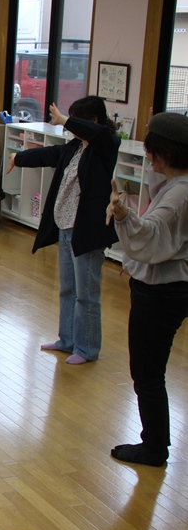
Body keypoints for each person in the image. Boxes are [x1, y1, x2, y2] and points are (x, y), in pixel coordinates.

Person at [8, 98, 120, 365]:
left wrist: (65, 120)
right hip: (66, 225)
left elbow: (98, 134)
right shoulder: (75, 147)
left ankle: (87, 348)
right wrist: (18, 157)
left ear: (92, 121)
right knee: (68, 289)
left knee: (86, 293)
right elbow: (48, 154)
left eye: (75, 120)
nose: (69, 126)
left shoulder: (106, 145)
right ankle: (67, 340)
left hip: (87, 231)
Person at [106, 112, 188, 467]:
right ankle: (156, 442)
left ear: (166, 153)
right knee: (150, 370)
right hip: (171, 287)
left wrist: (123, 214)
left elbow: (151, 234)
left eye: (152, 149)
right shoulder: (177, 185)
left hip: (162, 293)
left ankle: (154, 447)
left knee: (147, 373)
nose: (148, 156)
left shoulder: (179, 194)